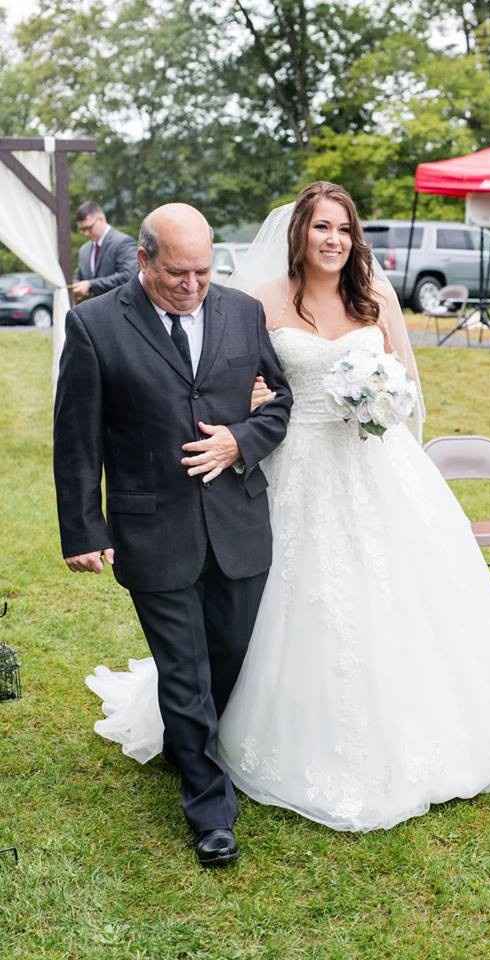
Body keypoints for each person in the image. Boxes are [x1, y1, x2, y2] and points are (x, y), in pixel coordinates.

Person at [86, 182, 490, 836]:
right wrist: (246, 414)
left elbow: (405, 385)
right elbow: (236, 377)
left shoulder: (374, 295)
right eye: (320, 228)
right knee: (280, 602)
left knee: (399, 598)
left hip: (375, 464)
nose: (333, 239)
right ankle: (220, 723)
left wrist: (383, 403)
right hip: (295, 463)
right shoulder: (263, 299)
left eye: (343, 228)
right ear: (300, 235)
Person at [54, 203, 292, 867]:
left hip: (238, 521)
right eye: (176, 273)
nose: (192, 285)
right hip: (151, 525)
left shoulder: (243, 312)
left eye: (203, 271)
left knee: (231, 652)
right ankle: (209, 806)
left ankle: (190, 743)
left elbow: (281, 403)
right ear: (143, 260)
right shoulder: (95, 325)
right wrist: (81, 527)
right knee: (184, 669)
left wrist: (239, 441)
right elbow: (76, 437)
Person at [72, 201, 138, 301]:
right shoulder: (84, 250)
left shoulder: (123, 242)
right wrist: (76, 284)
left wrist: (91, 285)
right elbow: (79, 275)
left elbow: (128, 276)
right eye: (82, 229)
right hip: (92, 312)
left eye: (89, 228)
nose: (86, 233)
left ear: (102, 219)